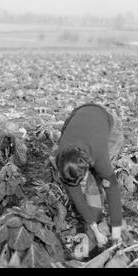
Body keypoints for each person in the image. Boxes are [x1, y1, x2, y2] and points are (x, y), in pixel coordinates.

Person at [56, 103, 124, 246]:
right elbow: (75, 194)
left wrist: (116, 236)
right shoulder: (62, 157)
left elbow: (113, 191)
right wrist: (96, 231)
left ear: (86, 165)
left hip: (107, 123)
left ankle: (98, 205)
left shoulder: (100, 156)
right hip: (79, 113)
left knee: (100, 178)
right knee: (87, 190)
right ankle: (96, 214)